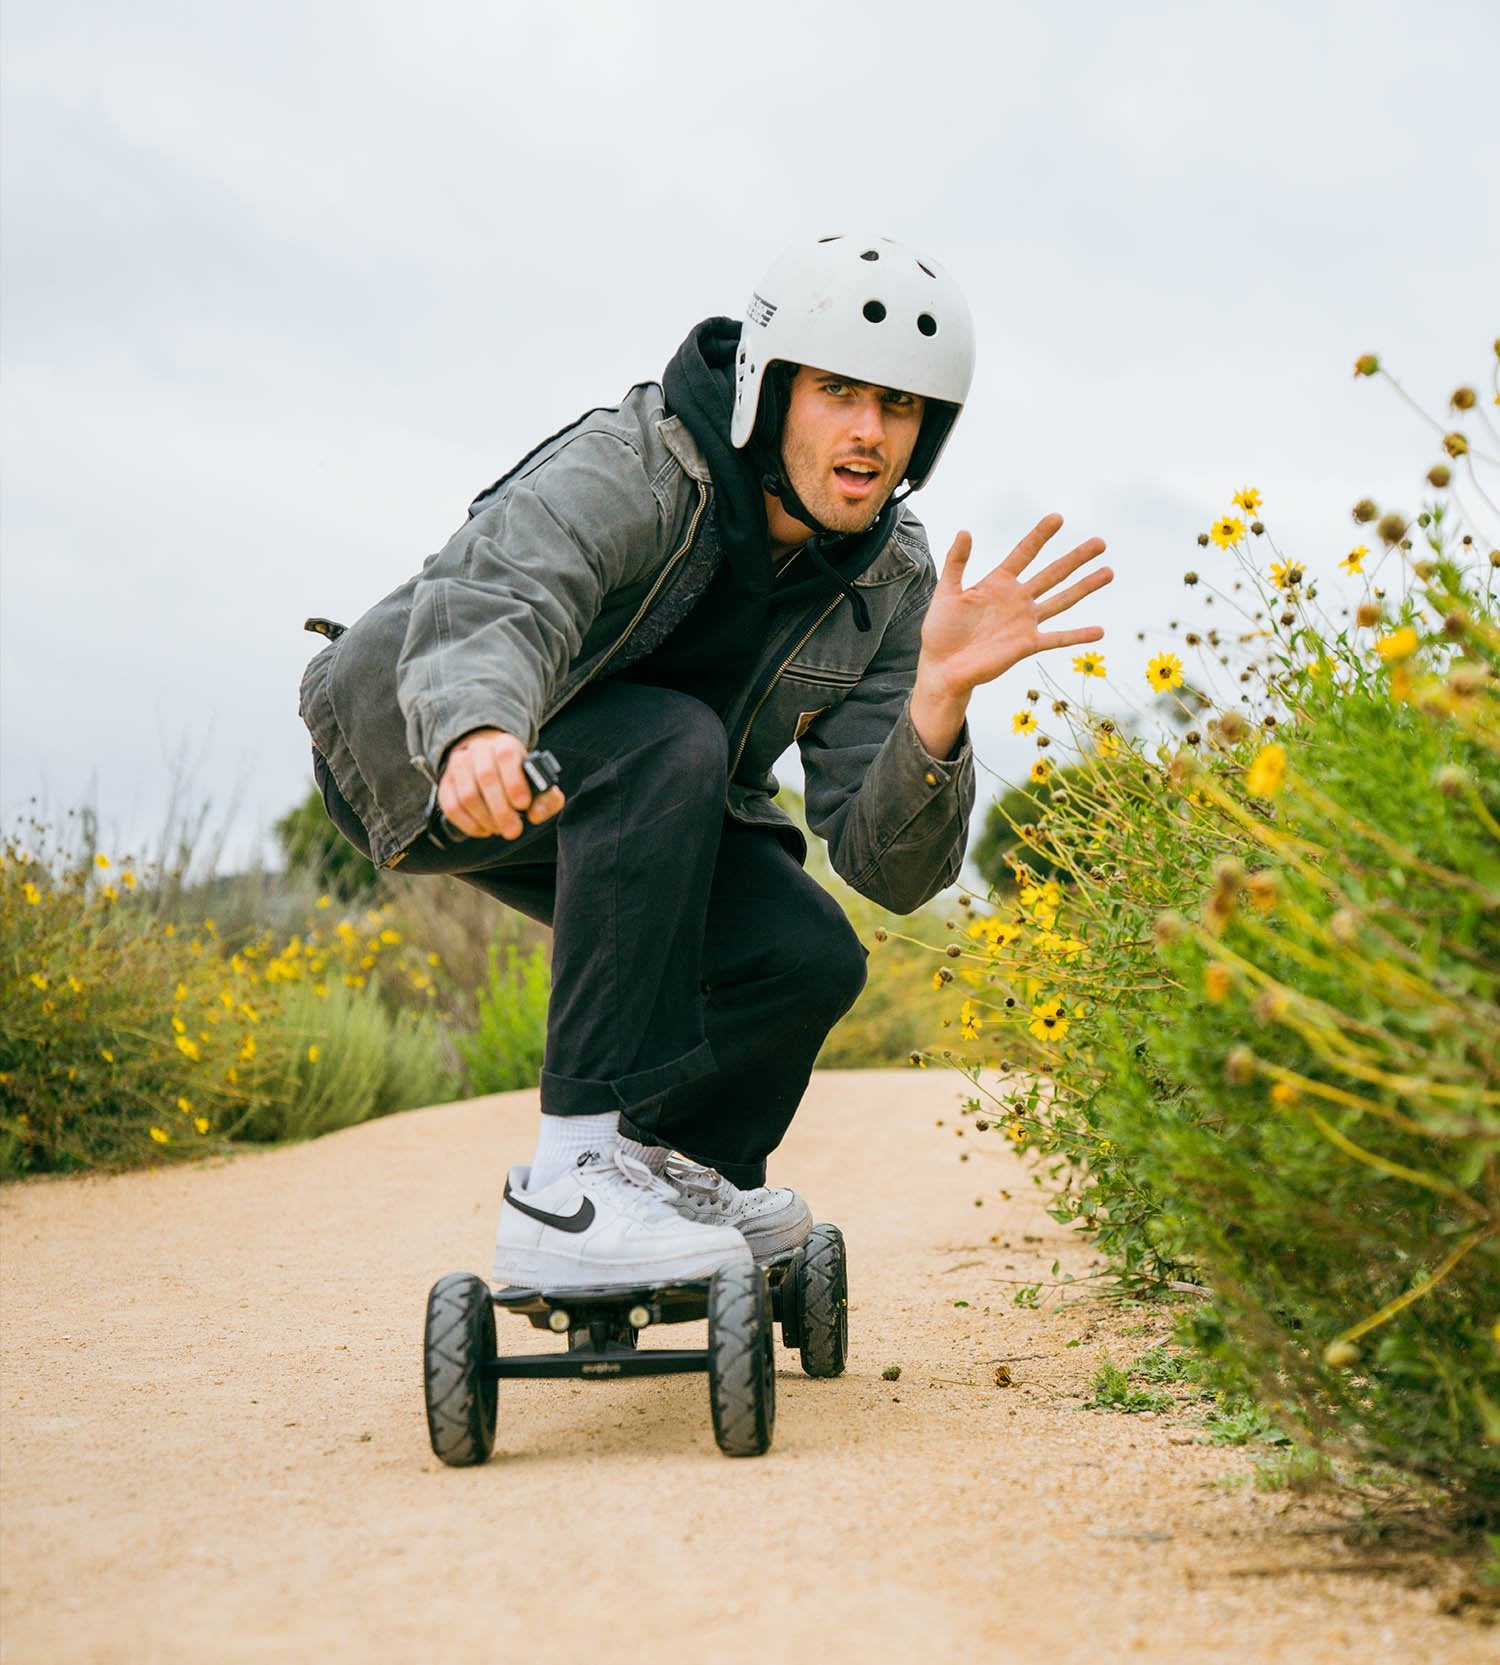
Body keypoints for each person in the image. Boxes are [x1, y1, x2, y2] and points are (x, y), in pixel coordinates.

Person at [299, 232, 1112, 1291]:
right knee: (669, 739)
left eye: (900, 408)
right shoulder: (633, 463)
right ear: (769, 392)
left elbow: (889, 873)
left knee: (805, 949)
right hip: (418, 750)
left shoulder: (891, 583)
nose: (869, 432)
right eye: (838, 392)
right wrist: (477, 730)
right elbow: (498, 589)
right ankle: (571, 1186)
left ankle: (657, 1173)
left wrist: (937, 704)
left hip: (639, 801)